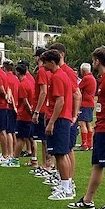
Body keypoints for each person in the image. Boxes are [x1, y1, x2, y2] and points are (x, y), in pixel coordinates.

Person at [69, 46, 105, 209]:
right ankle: (88, 200)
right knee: (97, 165)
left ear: (97, 61)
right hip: (103, 128)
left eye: (93, 60)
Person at [40, 49, 74, 200]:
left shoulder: (57, 77)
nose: (43, 65)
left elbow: (60, 101)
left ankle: (66, 188)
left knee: (60, 154)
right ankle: (65, 185)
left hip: (60, 119)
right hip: (62, 118)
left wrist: (51, 122)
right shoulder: (61, 75)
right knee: (63, 153)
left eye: (45, 62)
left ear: (52, 62)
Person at [31, 48, 54, 177]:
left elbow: (43, 91)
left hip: (43, 109)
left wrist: (37, 111)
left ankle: (47, 165)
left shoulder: (42, 71)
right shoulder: (50, 72)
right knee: (46, 139)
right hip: (47, 108)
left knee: (45, 139)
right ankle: (47, 164)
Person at [78, 62, 97, 150]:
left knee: (82, 123)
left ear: (83, 71)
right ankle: (90, 143)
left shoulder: (86, 78)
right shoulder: (92, 78)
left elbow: (78, 87)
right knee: (89, 123)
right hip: (91, 103)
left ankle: (84, 144)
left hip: (85, 104)